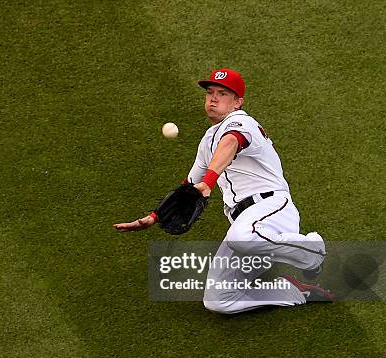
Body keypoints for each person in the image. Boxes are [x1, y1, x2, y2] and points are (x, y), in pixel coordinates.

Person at [113, 68, 334, 314]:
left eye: (222, 93)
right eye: (209, 93)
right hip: (248, 231)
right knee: (218, 299)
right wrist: (154, 217)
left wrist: (208, 182)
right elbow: (188, 185)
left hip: (272, 210)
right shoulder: (208, 141)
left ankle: (312, 252)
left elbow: (230, 143)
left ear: (238, 102)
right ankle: (292, 291)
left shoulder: (242, 122)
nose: (213, 99)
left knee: (242, 237)